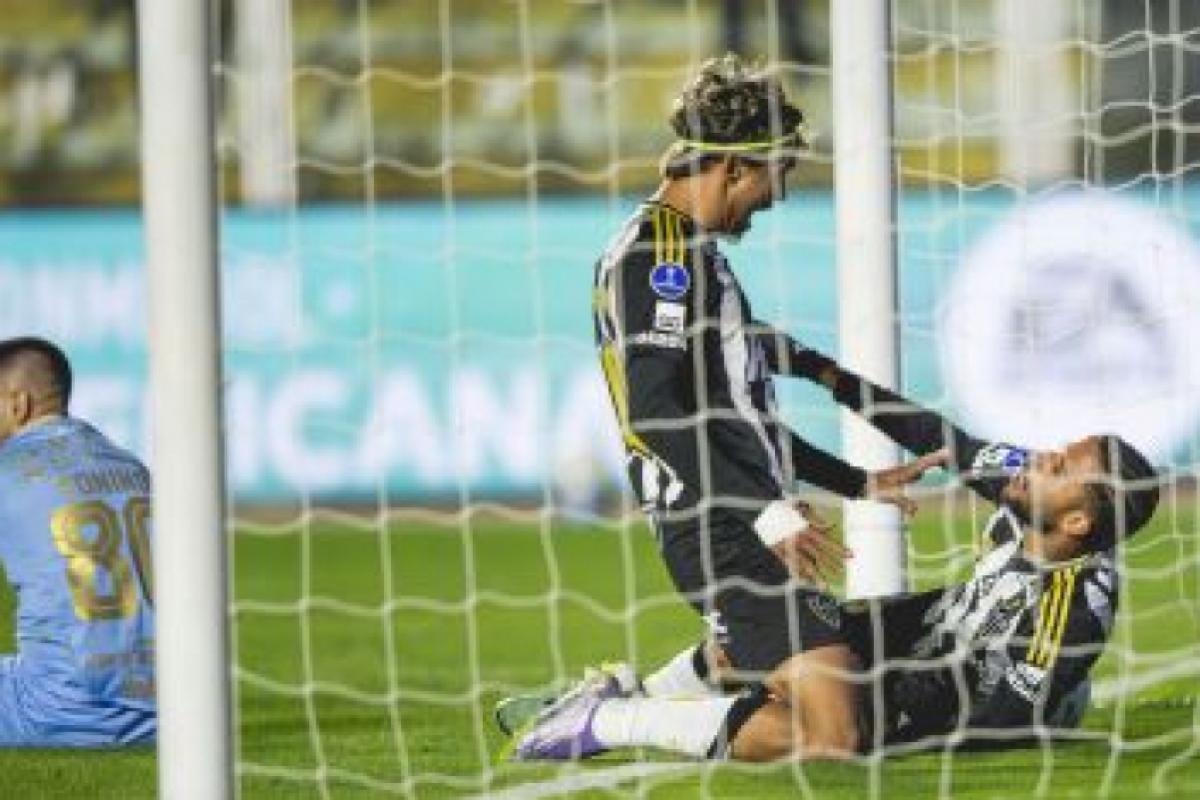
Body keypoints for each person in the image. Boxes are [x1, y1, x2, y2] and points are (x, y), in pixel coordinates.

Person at [525, 53, 931, 764]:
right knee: (836, 738)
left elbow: (745, 419)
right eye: (778, 177)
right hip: (715, 523)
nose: (776, 198)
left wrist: (854, 482)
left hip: (734, 513)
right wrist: (765, 511)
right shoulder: (657, 256)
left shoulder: (691, 252)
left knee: (818, 692)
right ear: (735, 168)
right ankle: (613, 721)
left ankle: (648, 694)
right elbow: (656, 417)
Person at [501, 352, 1161, 758]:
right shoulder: (1027, 491)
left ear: (1076, 519)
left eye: (1061, 464)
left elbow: (999, 717)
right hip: (920, 627)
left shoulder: (1077, 604)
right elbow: (934, 435)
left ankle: (610, 721)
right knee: (782, 635)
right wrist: (826, 373)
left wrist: (896, 719)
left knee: (818, 724)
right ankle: (632, 689)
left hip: (942, 695)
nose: (1041, 455)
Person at [0, 336, 155, 746]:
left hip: (53, 713)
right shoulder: (133, 466)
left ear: (18, 404)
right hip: (163, 714)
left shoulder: (8, 468)